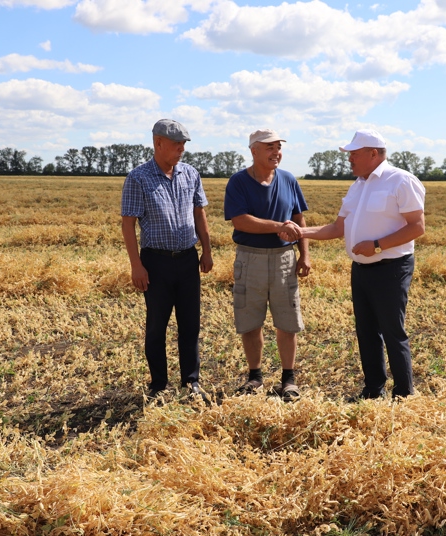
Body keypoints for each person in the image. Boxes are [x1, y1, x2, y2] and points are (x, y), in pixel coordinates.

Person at [295, 129, 425, 399]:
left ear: (373, 154)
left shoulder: (400, 180)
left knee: (392, 330)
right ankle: (373, 391)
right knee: (366, 331)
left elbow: (417, 227)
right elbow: (337, 227)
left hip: (391, 268)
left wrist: (376, 245)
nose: (349, 159)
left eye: (354, 154)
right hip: (361, 270)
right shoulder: (358, 185)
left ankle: (404, 394)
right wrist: (301, 232)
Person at [121, 119, 214, 402]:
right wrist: (136, 265)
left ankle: (191, 381)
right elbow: (128, 225)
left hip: (187, 260)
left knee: (190, 324)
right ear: (158, 143)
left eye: (184, 144)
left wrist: (207, 250)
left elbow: (199, 214)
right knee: (157, 326)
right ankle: (159, 384)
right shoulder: (138, 178)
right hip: (156, 263)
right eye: (176, 144)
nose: (181, 149)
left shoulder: (190, 174)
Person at [224, 129, 311, 398]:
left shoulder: (288, 180)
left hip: (285, 259)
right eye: (269, 147)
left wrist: (304, 254)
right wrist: (279, 226)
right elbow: (241, 221)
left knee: (287, 320)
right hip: (250, 258)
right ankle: (255, 377)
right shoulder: (238, 182)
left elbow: (299, 220)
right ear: (253, 151)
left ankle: (289, 378)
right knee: (250, 321)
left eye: (278, 147)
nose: (276, 152)